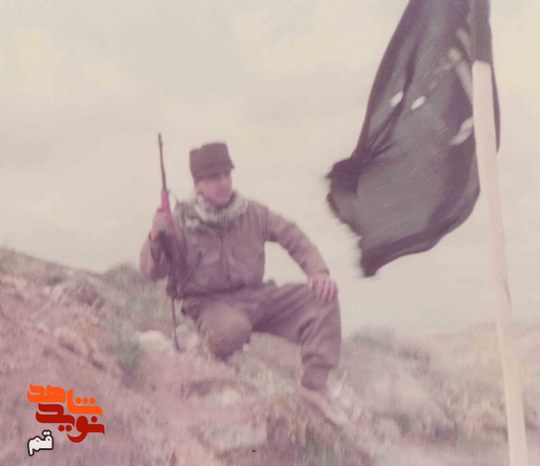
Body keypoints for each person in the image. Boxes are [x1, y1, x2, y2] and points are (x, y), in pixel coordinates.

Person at [140, 142, 343, 424]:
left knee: (322, 298)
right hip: (210, 304)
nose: (223, 182)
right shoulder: (179, 221)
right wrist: (156, 238)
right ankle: (208, 348)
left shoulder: (252, 213)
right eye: (214, 177)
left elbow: (292, 236)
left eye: (226, 174)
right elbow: (152, 272)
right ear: (198, 184)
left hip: (257, 297)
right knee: (231, 332)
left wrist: (317, 270)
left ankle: (313, 387)